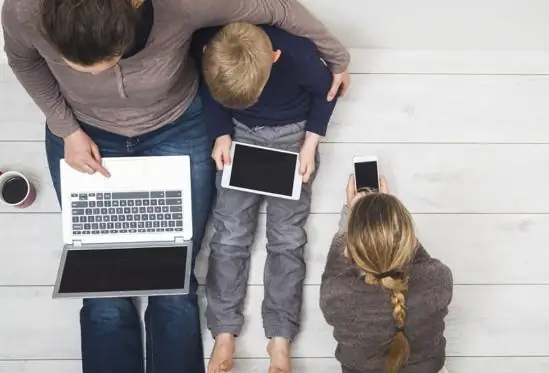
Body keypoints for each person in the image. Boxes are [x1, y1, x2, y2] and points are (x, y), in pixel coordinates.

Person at [1, 1, 350, 373]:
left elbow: (277, 8)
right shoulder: (23, 10)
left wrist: (339, 59)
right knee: (103, 294)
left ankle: (250, 336)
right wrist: (65, 128)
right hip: (82, 133)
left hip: (176, 125)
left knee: (174, 280)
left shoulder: (185, 3)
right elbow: (24, 60)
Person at [188, 22, 339, 373]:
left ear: (275, 57)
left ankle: (280, 337)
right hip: (239, 135)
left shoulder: (299, 53)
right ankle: (224, 331)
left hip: (293, 137)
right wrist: (221, 135)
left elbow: (326, 93)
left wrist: (310, 145)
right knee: (229, 236)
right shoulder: (208, 47)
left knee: (287, 239)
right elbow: (211, 94)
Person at [320, 175, 453, 373]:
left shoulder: (336, 296)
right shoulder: (438, 279)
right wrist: (387, 221)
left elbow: (333, 272)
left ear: (349, 250)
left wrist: (350, 214)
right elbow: (420, 257)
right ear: (408, 238)